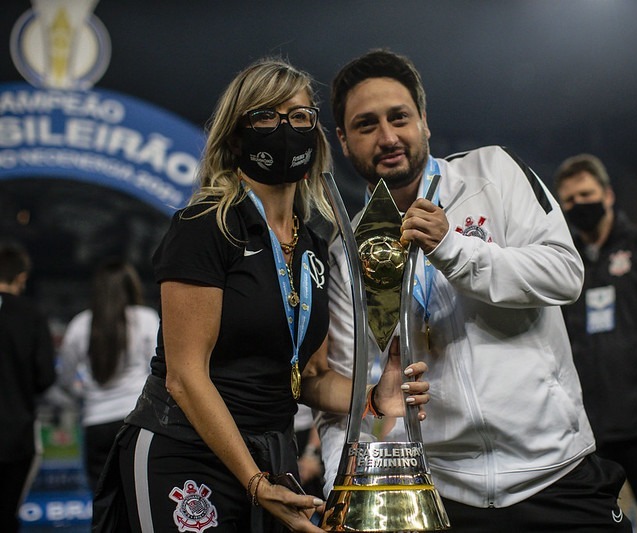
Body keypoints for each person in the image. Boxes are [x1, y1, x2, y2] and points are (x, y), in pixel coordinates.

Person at [93, 57, 430, 533]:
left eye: (298, 117)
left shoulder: (313, 244)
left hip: (274, 455)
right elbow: (184, 378)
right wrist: (252, 482)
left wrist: (374, 397)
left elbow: (309, 377)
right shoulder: (205, 227)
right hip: (187, 450)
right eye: (266, 117)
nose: (284, 129)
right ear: (236, 135)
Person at [316, 48, 632, 532]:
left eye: (399, 117)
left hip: (556, 472)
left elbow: (565, 273)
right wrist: (344, 496)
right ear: (342, 140)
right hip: (442, 492)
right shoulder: (346, 251)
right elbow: (346, 391)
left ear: (423, 121)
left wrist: (452, 248)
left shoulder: (493, 173)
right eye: (365, 125)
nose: (387, 137)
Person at [553, 153, 637, 532]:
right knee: (599, 527)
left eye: (586, 194)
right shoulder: (564, 260)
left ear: (609, 194)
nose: (579, 205)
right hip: (588, 428)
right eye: (569, 200)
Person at [57, 259, 159, 492]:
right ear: (132, 286)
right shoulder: (145, 319)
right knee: (139, 499)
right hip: (137, 419)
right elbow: (157, 369)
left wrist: (83, 394)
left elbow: (65, 378)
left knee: (103, 502)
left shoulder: (80, 324)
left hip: (96, 422)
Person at [0, 241, 56, 532]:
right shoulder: (31, 315)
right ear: (21, 277)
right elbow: (45, 376)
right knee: (8, 513)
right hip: (16, 434)